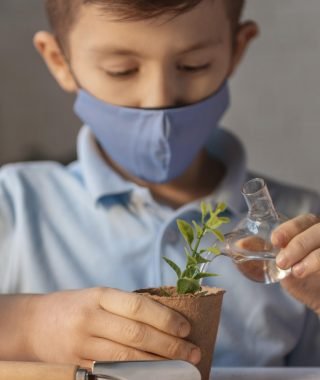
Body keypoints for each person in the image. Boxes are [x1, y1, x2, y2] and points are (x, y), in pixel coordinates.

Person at [0, 0, 319, 369]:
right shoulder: (13, 206)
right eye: (120, 70)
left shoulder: (303, 228)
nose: (159, 101)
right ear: (59, 60)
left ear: (237, 49)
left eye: (192, 65)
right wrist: (28, 325)